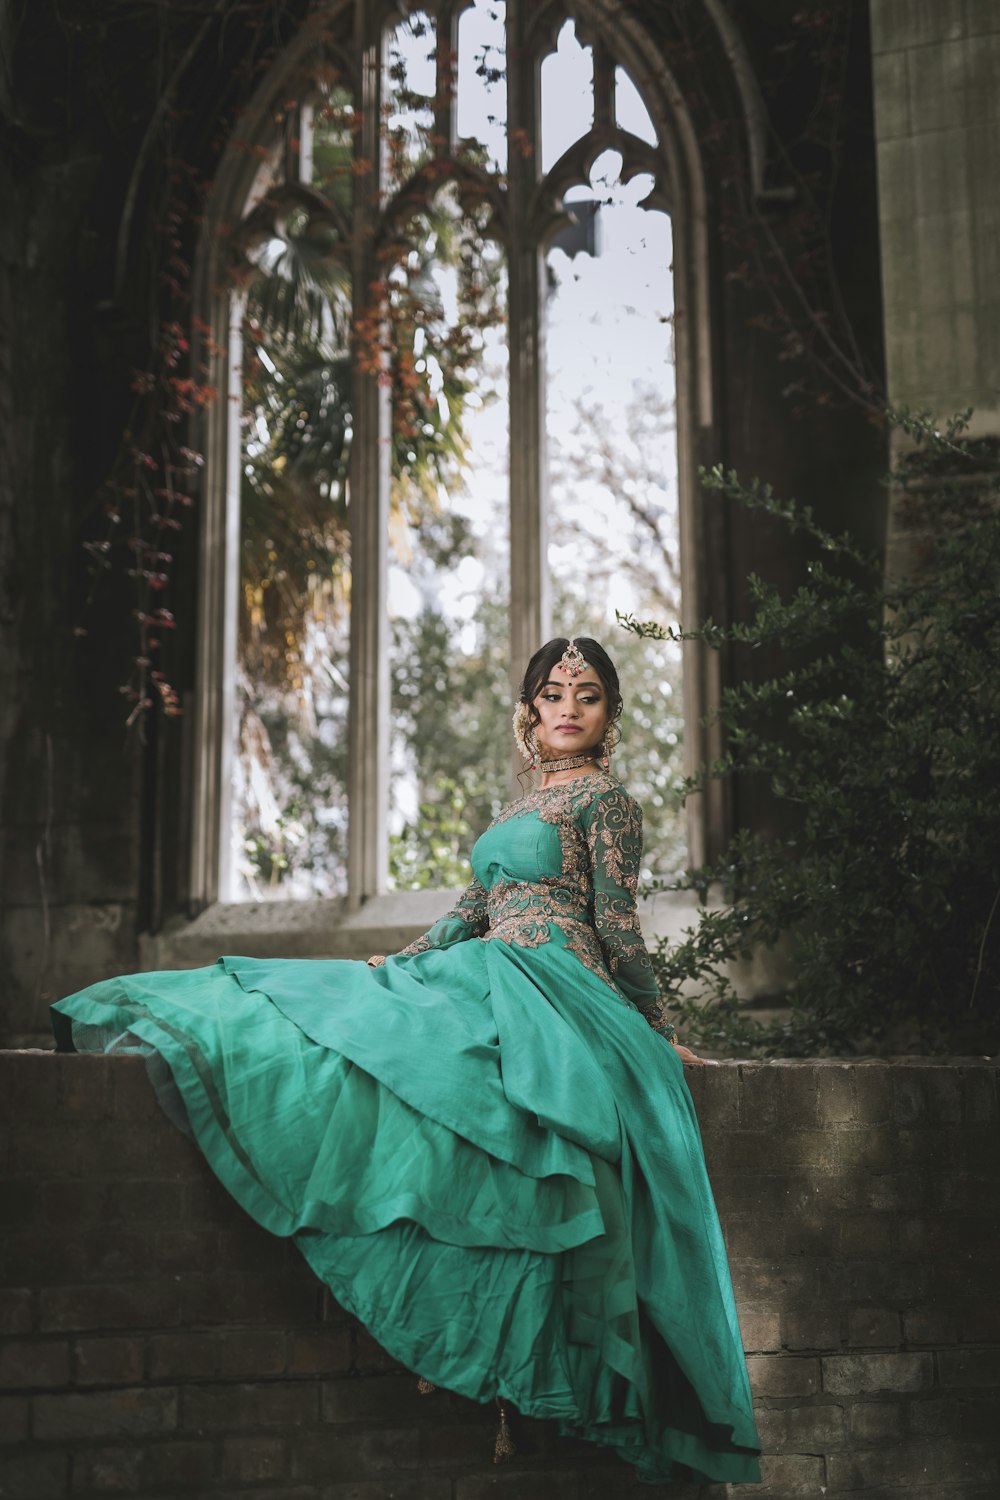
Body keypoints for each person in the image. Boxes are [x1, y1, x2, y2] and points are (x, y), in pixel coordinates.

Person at [51, 636, 762, 1486]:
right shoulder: (513, 812)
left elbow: (619, 929)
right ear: (529, 710)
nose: (569, 707)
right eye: (553, 692)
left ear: (610, 713)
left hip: (562, 984)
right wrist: (393, 963)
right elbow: (469, 914)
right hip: (491, 965)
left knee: (519, 1124)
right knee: (357, 1028)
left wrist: (652, 1026)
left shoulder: (607, 802)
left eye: (589, 694)